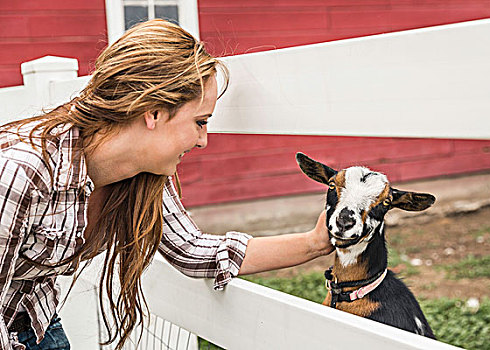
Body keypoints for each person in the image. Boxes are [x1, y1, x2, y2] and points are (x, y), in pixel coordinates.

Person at [0, 19, 333, 350]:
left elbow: (193, 250)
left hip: (38, 325)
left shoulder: (142, 174)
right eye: (200, 121)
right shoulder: (23, 171)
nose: (203, 140)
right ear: (153, 112)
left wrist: (314, 243)